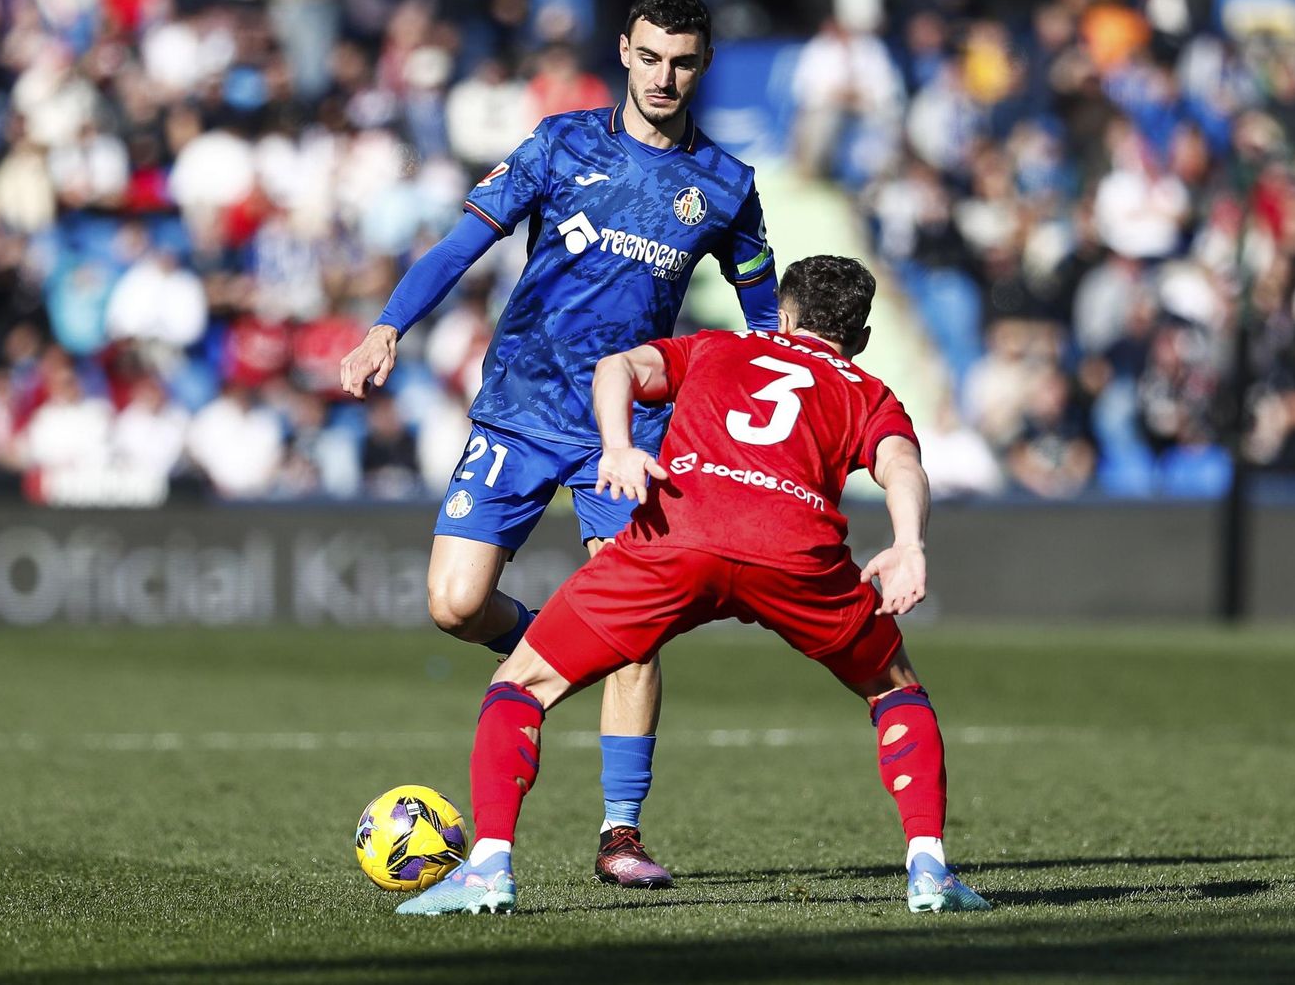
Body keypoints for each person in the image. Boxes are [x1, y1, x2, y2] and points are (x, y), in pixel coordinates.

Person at [339, 0, 778, 888]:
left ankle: (621, 834)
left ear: (702, 65)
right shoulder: (561, 143)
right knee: (455, 605)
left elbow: (764, 320)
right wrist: (389, 324)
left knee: (640, 633)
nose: (664, 76)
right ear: (624, 50)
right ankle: (558, 647)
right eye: (650, 56)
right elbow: (462, 244)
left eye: (683, 61)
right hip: (521, 404)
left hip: (631, 427)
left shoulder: (726, 187)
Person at [396, 255, 989, 917]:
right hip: (794, 553)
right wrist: (908, 544)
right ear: (862, 337)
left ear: (784, 316)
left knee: (521, 684)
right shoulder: (869, 392)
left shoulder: (718, 345)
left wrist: (618, 446)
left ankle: (489, 868)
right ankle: (930, 870)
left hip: (679, 532)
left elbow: (615, 366)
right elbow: (902, 464)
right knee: (895, 690)